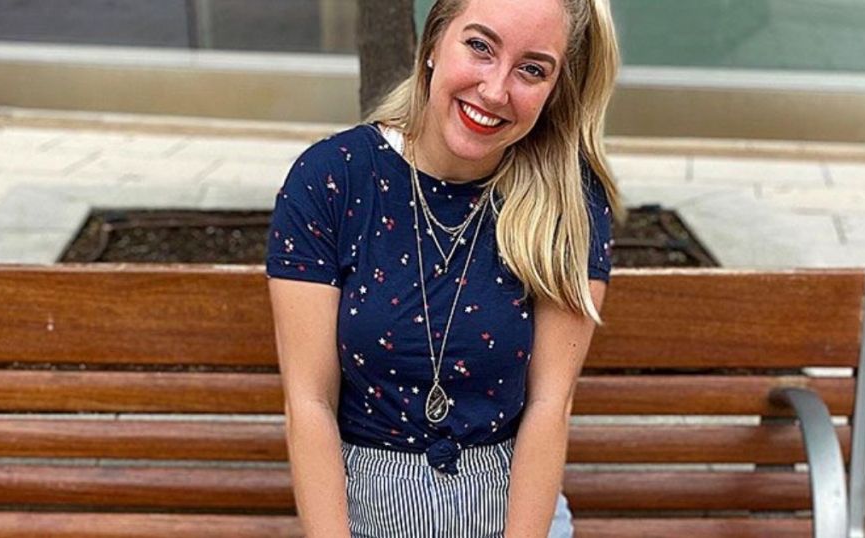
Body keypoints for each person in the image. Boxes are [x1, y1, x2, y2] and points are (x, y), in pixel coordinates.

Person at [265, 0, 625, 536]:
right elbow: (309, 402)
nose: (496, 90)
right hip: (362, 516)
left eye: (532, 69)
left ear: (555, 89)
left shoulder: (567, 202)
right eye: (479, 46)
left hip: (513, 516)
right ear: (433, 42)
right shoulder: (332, 180)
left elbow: (552, 403)